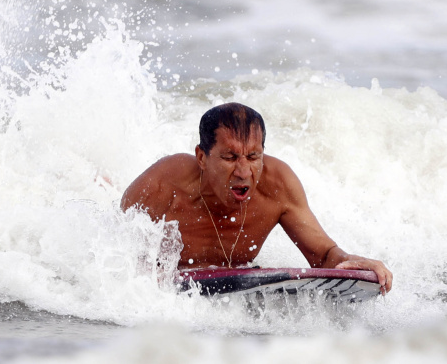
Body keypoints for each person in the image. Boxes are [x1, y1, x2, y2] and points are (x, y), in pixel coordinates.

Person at [121, 102, 392, 294]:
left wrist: (351, 261)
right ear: (202, 157)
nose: (243, 171)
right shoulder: (163, 183)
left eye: (253, 157)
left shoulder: (278, 185)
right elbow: (113, 250)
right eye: (229, 157)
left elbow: (323, 257)